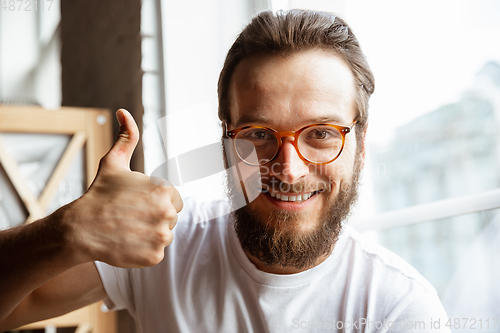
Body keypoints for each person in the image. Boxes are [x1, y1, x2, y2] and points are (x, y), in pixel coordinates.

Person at [0, 9, 449, 332]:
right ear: (225, 139)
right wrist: (64, 231)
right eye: (258, 134)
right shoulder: (166, 245)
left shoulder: (401, 310)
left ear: (361, 144)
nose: (289, 170)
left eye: (321, 134)